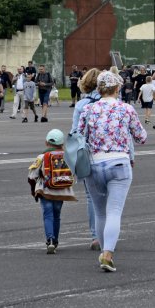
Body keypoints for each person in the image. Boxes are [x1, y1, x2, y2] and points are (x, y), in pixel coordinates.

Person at [76, 70, 147, 272]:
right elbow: (141, 137)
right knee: (114, 211)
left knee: (100, 213)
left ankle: (102, 249)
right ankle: (107, 254)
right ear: (117, 88)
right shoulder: (126, 109)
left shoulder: (88, 109)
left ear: (99, 89)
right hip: (119, 164)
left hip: (94, 164)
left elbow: (78, 135)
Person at [27, 129, 77, 254]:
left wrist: (33, 190)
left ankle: (50, 240)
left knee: (47, 214)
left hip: (46, 190)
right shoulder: (67, 155)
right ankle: (55, 241)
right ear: (62, 144)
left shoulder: (42, 157)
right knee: (57, 216)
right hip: (61, 191)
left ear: (46, 142)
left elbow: (32, 176)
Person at [71, 68, 102, 251]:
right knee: (109, 196)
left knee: (91, 197)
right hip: (109, 153)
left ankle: (95, 235)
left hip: (88, 154)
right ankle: (108, 231)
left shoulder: (81, 105)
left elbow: (75, 132)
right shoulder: (113, 102)